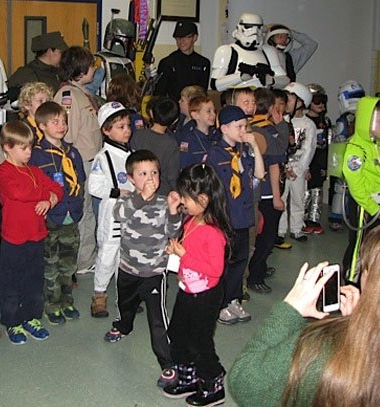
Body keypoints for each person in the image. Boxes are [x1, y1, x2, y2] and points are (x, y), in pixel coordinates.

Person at [229, 224, 380, 407]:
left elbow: (244, 382)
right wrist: (360, 320)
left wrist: (291, 308)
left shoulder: (323, 349)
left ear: (370, 279)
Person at [103, 150, 182, 388]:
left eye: (154, 173)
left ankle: (167, 363)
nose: (150, 179)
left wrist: (173, 211)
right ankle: (123, 326)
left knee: (157, 320)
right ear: (131, 178)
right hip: (128, 270)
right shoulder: (126, 200)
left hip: (155, 272)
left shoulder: (163, 202)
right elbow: (119, 215)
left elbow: (173, 232)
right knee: (126, 306)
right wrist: (141, 198)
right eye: (143, 173)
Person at [162, 164, 234, 406]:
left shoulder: (213, 232)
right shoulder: (191, 219)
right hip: (187, 290)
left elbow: (215, 269)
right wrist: (179, 261)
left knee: (200, 342)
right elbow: (185, 246)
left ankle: (213, 382)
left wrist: (183, 255)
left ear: (202, 199)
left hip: (205, 296)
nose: (182, 201)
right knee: (178, 335)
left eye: (185, 197)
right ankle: (190, 376)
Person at [0, 120, 64, 344]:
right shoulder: (4, 170)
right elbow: (18, 192)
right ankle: (12, 321)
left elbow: (57, 188)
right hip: (13, 238)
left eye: (30, 147)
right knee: (11, 283)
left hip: (36, 235)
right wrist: (44, 194)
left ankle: (31, 317)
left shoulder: (34, 170)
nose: (28, 152)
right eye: (23, 148)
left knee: (34, 281)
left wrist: (51, 198)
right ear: (7, 147)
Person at [29, 101, 86, 324]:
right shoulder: (37, 155)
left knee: (68, 263)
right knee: (50, 264)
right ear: (42, 126)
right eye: (55, 122)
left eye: (64, 121)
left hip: (71, 214)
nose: (61, 126)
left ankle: (67, 301)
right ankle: (51, 304)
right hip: (50, 217)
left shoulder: (73, 152)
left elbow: (79, 180)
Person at [208, 105, 265, 321]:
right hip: (223, 218)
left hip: (242, 215)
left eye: (245, 126)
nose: (244, 130)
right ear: (224, 128)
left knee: (240, 261)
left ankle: (234, 299)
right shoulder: (214, 153)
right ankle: (220, 303)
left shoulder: (244, 150)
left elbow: (259, 174)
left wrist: (254, 147)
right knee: (222, 263)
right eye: (239, 126)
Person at [54, 46, 103, 275]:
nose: (94, 69)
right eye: (91, 65)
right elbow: (67, 136)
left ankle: (86, 257)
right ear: (81, 70)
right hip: (80, 162)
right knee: (83, 212)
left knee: (89, 212)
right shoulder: (68, 96)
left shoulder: (81, 92)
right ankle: (82, 262)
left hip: (90, 160)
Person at [87, 102, 134, 318]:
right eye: (120, 127)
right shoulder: (102, 157)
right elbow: (94, 187)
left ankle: (125, 297)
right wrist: (117, 192)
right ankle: (99, 296)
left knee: (126, 258)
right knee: (107, 255)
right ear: (106, 130)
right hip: (112, 213)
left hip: (131, 213)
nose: (126, 130)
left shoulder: (132, 154)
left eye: (127, 125)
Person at [341, 97, 380, 283]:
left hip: (379, 206)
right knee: (359, 246)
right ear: (367, 122)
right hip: (365, 206)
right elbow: (356, 185)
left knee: (378, 246)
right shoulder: (356, 149)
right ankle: (350, 284)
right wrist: (375, 210)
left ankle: (371, 280)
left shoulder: (377, 147)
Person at [247, 89, 285, 294]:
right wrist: (277, 197)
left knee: (256, 236)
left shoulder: (247, 127)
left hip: (252, 192)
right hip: (267, 193)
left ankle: (257, 268)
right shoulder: (268, 130)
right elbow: (275, 163)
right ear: (271, 108)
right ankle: (255, 275)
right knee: (267, 237)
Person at [278, 82, 316, 244]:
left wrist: (299, 169)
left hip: (298, 170)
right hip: (284, 168)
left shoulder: (309, 125)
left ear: (300, 102)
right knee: (281, 198)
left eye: (290, 99)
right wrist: (285, 168)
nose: (286, 103)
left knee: (298, 199)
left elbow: (309, 150)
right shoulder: (282, 121)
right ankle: (280, 230)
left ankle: (296, 228)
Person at [329, 80, 365, 232]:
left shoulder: (363, 118)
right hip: (346, 156)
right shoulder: (343, 121)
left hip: (357, 157)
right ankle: (337, 216)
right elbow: (339, 139)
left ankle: (351, 215)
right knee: (342, 187)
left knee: (354, 187)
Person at [209, 13, 275, 92]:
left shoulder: (267, 52)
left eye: (258, 27)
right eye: (248, 27)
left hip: (263, 99)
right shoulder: (227, 51)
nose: (254, 31)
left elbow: (286, 80)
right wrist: (240, 77)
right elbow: (215, 85)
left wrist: (271, 80)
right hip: (236, 99)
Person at [130, 96, 180, 195]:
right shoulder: (171, 144)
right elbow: (173, 176)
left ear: (151, 113)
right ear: (175, 120)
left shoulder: (138, 135)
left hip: (138, 189)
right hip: (160, 194)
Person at [154, 21, 211, 103]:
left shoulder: (203, 63)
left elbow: (202, 93)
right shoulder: (168, 63)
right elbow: (159, 94)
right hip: (173, 110)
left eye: (186, 37)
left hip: (197, 108)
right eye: (178, 38)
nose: (181, 41)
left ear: (195, 37)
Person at [303, 83, 331, 235]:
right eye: (317, 101)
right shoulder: (305, 122)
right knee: (306, 192)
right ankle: (302, 219)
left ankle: (314, 220)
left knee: (318, 192)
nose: (321, 104)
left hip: (321, 160)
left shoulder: (325, 122)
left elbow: (329, 143)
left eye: (323, 100)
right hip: (309, 161)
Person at [8, 31, 68, 100]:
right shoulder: (27, 74)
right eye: (60, 52)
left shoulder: (59, 71)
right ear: (49, 51)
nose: (63, 56)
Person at [177, 96, 218, 169]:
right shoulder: (188, 140)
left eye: (214, 111)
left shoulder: (216, 136)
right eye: (208, 111)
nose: (213, 114)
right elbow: (184, 166)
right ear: (195, 115)